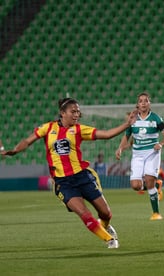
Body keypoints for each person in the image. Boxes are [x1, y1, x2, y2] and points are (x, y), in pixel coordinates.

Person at [1, 98, 138, 249]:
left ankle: (105, 226)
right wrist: (15, 150)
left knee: (106, 214)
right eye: (73, 111)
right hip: (63, 182)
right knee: (84, 213)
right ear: (62, 113)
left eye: (78, 112)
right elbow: (27, 141)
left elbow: (106, 134)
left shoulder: (79, 129)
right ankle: (109, 239)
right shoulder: (48, 128)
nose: (76, 114)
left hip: (82, 176)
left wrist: (127, 124)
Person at [116, 92, 164, 220]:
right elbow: (127, 136)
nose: (143, 103)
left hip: (152, 153)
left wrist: (161, 144)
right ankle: (156, 186)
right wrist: (120, 148)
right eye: (140, 101)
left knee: (149, 180)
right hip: (137, 155)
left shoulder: (156, 118)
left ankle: (156, 213)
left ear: (149, 103)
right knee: (136, 186)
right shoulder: (133, 119)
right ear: (137, 104)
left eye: (145, 100)